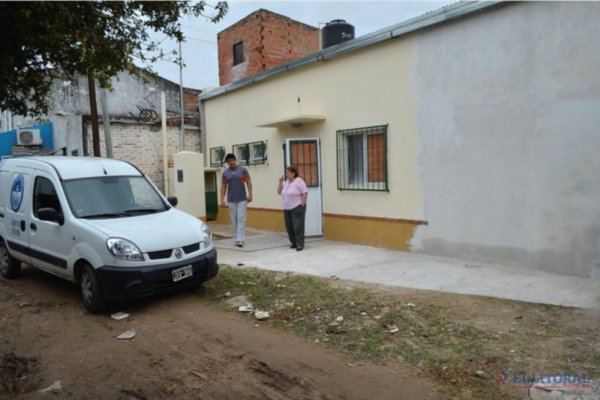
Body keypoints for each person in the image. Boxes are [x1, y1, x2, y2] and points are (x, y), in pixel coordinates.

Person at [221, 153, 252, 247]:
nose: (231, 163)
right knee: (234, 219)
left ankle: (240, 239)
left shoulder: (242, 170)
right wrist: (221, 199)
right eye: (229, 161)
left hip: (242, 199)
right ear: (227, 162)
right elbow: (223, 186)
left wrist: (250, 194)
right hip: (231, 199)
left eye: (232, 160)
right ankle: (237, 237)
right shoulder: (225, 173)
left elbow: (248, 182)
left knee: (241, 218)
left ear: (235, 160)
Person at [277, 166, 308, 251]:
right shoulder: (286, 182)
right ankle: (293, 243)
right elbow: (279, 192)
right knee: (289, 227)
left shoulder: (299, 181)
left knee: (298, 226)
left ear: (293, 173)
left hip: (297, 207)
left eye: (288, 172)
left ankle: (299, 244)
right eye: (286, 172)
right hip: (287, 208)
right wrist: (280, 182)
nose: (287, 174)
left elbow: (305, 192)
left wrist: (302, 204)